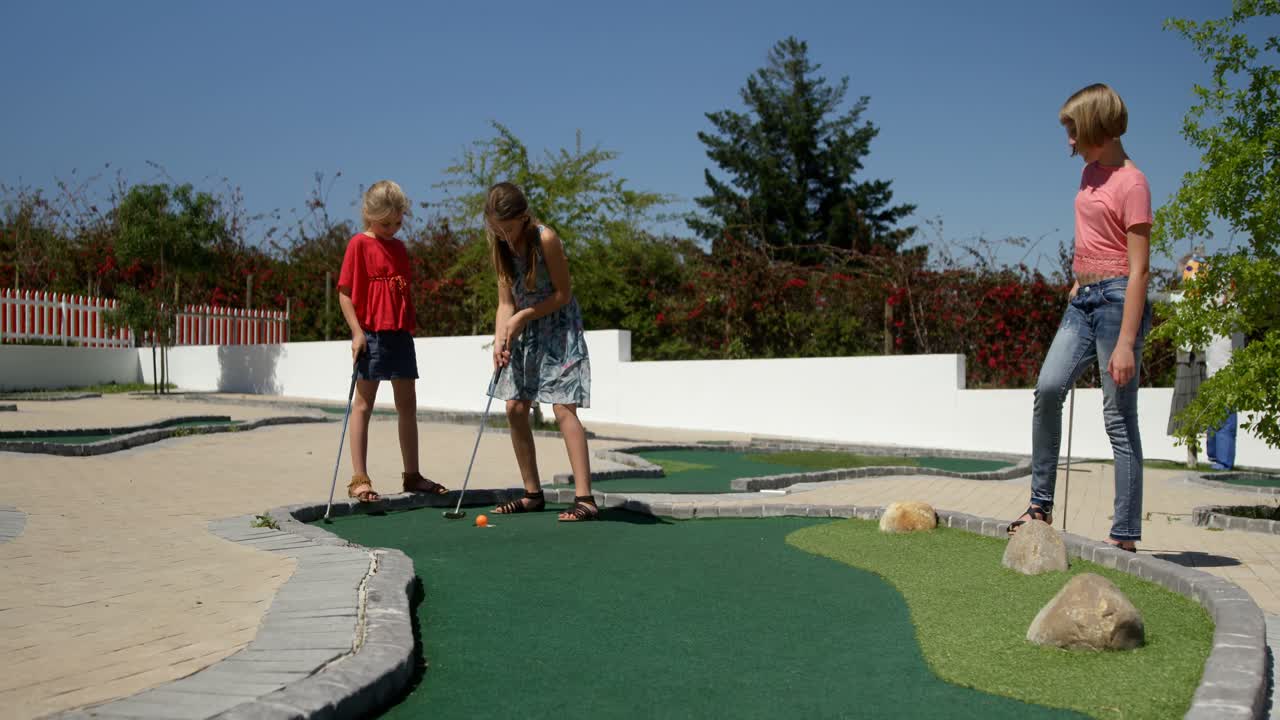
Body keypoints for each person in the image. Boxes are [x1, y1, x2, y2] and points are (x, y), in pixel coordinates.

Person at [1008, 84, 1153, 552]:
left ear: (1095, 126)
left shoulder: (1134, 183)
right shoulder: (1089, 173)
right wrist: (1077, 280)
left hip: (1116, 304)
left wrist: (1127, 340)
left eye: (1073, 131)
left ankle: (1125, 533)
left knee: (1117, 416)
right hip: (1082, 299)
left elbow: (1139, 268)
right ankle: (1039, 507)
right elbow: (1091, 234)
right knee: (1048, 389)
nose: (1068, 141)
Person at [482, 182, 597, 522]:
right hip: (523, 329)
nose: (503, 235)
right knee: (515, 407)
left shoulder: (545, 239)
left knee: (563, 407)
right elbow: (505, 303)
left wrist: (523, 316)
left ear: (523, 217)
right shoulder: (500, 246)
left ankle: (585, 498)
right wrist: (501, 336)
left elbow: (563, 294)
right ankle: (532, 493)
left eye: (508, 227)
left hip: (559, 327)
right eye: (495, 228)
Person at [336, 180, 447, 503]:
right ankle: (359, 479)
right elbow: (345, 294)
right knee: (363, 404)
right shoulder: (358, 244)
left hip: (399, 333)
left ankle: (412, 475)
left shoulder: (399, 248)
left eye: (398, 223)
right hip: (370, 333)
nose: (392, 229)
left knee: (407, 405)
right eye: (385, 223)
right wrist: (357, 332)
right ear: (369, 215)